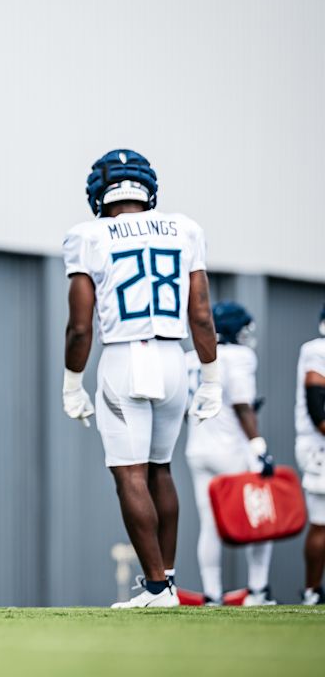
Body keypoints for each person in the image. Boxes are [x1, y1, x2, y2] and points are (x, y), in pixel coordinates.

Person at [61, 149, 221, 608]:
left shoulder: (88, 235)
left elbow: (79, 326)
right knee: (161, 469)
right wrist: (210, 379)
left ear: (99, 191)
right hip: (175, 356)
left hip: (125, 359)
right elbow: (202, 314)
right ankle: (166, 579)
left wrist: (72, 383)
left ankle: (157, 588)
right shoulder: (185, 228)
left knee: (130, 475)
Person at [184, 301, 275, 605]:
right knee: (259, 516)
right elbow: (241, 405)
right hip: (230, 450)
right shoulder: (240, 356)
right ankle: (258, 590)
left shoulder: (190, 357)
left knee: (209, 525)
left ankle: (212, 593)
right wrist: (258, 446)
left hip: (198, 449)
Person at [295, 302, 325, 605]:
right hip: (319, 446)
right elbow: (317, 404)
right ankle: (312, 591)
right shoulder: (317, 350)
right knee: (321, 520)